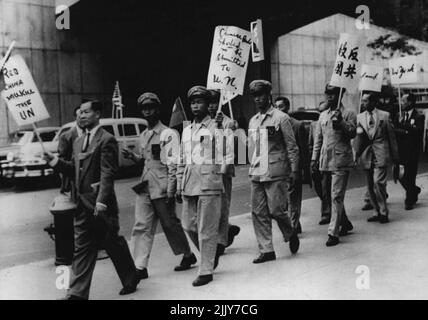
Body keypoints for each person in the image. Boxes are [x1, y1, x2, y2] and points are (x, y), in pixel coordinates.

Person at [43, 100, 140, 299]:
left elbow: (107, 173)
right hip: (81, 204)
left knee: (111, 241)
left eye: (86, 112)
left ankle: (131, 277)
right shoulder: (78, 142)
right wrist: (54, 161)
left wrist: (102, 202)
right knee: (82, 249)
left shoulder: (107, 139)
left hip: (100, 204)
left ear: (97, 114)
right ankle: (77, 293)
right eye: (80, 113)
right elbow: (74, 171)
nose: (82, 115)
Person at [123, 92, 196, 281]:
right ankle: (139, 266)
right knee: (141, 225)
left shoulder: (168, 134)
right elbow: (147, 160)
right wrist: (133, 158)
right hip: (145, 186)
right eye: (144, 108)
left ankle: (188, 255)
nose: (148, 111)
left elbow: (173, 164)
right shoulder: (144, 134)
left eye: (151, 108)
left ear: (158, 109)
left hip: (163, 187)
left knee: (170, 224)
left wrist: (172, 190)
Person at [176, 86, 232, 286]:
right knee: (188, 225)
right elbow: (182, 159)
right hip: (189, 183)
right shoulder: (187, 129)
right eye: (193, 102)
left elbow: (228, 151)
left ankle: (206, 270)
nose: (195, 105)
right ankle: (211, 254)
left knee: (206, 229)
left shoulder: (216, 127)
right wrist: (178, 183)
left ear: (209, 105)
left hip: (210, 183)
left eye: (200, 102)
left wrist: (225, 130)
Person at [248, 80, 300, 264]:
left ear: (268, 95)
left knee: (277, 210)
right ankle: (267, 249)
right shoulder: (253, 121)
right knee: (258, 212)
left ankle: (290, 231)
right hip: (257, 170)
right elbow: (251, 147)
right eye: (255, 96)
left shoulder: (280, 118)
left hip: (276, 170)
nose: (258, 99)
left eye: (261, 95)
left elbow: (291, 147)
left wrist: (294, 171)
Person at [311, 85, 356, 247]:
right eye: (328, 94)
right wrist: (314, 159)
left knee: (336, 195)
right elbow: (318, 140)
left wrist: (341, 121)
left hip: (341, 160)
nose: (330, 97)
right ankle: (345, 222)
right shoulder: (323, 115)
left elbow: (352, 133)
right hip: (326, 160)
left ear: (340, 95)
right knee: (329, 195)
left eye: (333, 94)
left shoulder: (348, 113)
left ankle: (333, 233)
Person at [355, 92, 399, 223]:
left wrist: (395, 157)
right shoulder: (360, 117)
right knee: (369, 186)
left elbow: (392, 138)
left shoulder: (384, 116)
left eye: (366, 101)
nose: (363, 103)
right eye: (362, 101)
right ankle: (376, 212)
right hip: (367, 155)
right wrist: (355, 154)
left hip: (381, 153)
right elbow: (358, 139)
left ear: (374, 102)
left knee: (378, 182)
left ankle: (383, 211)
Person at [208, 89, 240, 256]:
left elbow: (229, 147)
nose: (212, 106)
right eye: (210, 103)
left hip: (223, 170)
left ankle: (220, 242)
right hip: (207, 170)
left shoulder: (228, 122)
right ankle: (227, 230)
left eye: (214, 103)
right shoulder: (205, 122)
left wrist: (223, 127)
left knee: (222, 206)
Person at [274, 97, 309, 234]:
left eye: (281, 106)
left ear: (287, 108)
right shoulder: (273, 125)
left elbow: (303, 150)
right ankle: (295, 222)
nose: (278, 109)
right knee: (283, 201)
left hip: (293, 168)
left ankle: (293, 226)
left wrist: (304, 171)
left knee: (294, 199)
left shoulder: (297, 125)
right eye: (276, 107)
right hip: (279, 168)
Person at [393, 93, 425, 210]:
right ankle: (414, 190)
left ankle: (409, 200)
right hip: (400, 151)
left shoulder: (419, 116)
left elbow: (417, 132)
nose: (401, 103)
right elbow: (394, 129)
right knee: (399, 175)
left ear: (410, 102)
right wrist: (405, 131)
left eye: (403, 101)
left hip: (412, 152)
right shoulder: (398, 115)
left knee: (410, 176)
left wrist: (404, 126)